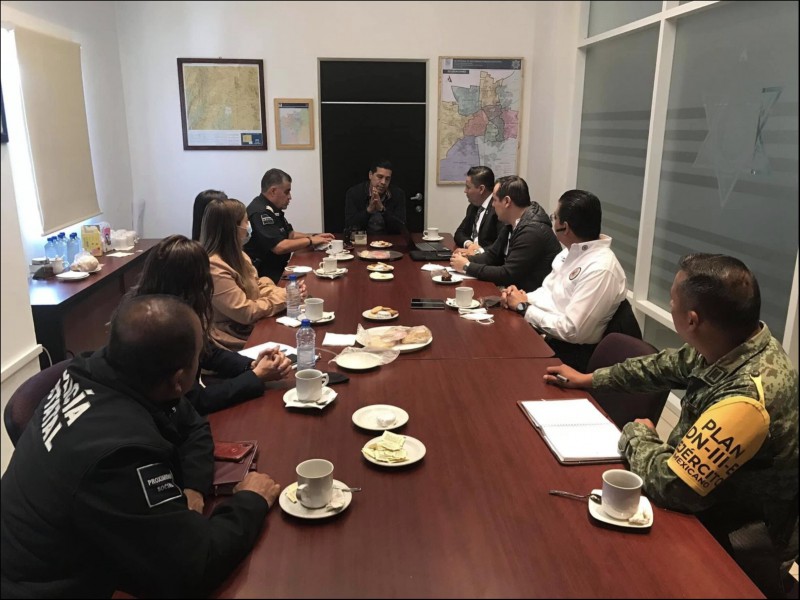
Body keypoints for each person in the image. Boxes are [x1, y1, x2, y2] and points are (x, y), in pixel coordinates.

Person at [545, 254, 798, 597]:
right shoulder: (733, 342)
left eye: (673, 299)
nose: (669, 303)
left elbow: (674, 487)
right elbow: (664, 366)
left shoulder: (749, 399)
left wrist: (637, 434)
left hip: (732, 540)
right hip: (708, 506)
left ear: (692, 320)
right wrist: (590, 379)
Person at [0, 295, 281, 598]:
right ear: (179, 380)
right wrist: (250, 500)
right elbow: (195, 568)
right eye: (199, 357)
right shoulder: (119, 455)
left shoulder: (98, 369)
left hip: (67, 554)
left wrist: (194, 487)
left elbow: (192, 424)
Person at [132, 234, 293, 414]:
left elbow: (208, 353)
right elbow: (195, 401)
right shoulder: (159, 325)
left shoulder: (163, 304)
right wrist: (255, 376)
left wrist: (252, 365)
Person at [501, 189, 627, 371]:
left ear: (565, 227)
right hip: (549, 337)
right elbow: (548, 292)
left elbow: (573, 330)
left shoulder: (601, 269)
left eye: (554, 217)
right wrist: (522, 298)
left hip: (573, 357)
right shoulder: (570, 251)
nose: (552, 221)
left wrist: (524, 308)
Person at [202, 197, 305, 351]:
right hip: (230, 339)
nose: (249, 226)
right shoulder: (214, 267)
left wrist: (288, 292)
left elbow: (256, 286)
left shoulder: (239, 255)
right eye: (246, 221)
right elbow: (246, 312)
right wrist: (284, 297)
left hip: (249, 327)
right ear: (233, 228)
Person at [450, 175, 560, 292]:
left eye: (495, 200)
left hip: (530, 296)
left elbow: (508, 274)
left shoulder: (532, 231)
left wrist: (467, 266)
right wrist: (466, 258)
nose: (492, 205)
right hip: (515, 291)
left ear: (507, 201)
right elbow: (492, 256)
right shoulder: (511, 223)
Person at [244, 169, 334, 283]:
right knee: (313, 280)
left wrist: (315, 236)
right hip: (265, 275)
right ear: (273, 191)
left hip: (278, 268)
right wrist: (310, 241)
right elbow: (279, 247)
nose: (290, 197)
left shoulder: (272, 209)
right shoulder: (260, 212)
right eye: (287, 192)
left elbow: (290, 234)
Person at [344, 159, 406, 234]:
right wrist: (368, 210)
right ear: (370, 175)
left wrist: (382, 210)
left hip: (388, 239)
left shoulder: (398, 194)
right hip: (362, 238)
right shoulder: (354, 193)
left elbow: (400, 227)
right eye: (380, 177)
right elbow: (350, 225)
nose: (383, 182)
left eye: (387, 179)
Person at [453, 166, 502, 255]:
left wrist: (476, 252)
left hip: (487, 260)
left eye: (468, 187)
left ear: (481, 189)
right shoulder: (473, 207)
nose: (465, 191)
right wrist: (470, 245)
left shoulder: (497, 210)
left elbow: (500, 246)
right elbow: (459, 233)